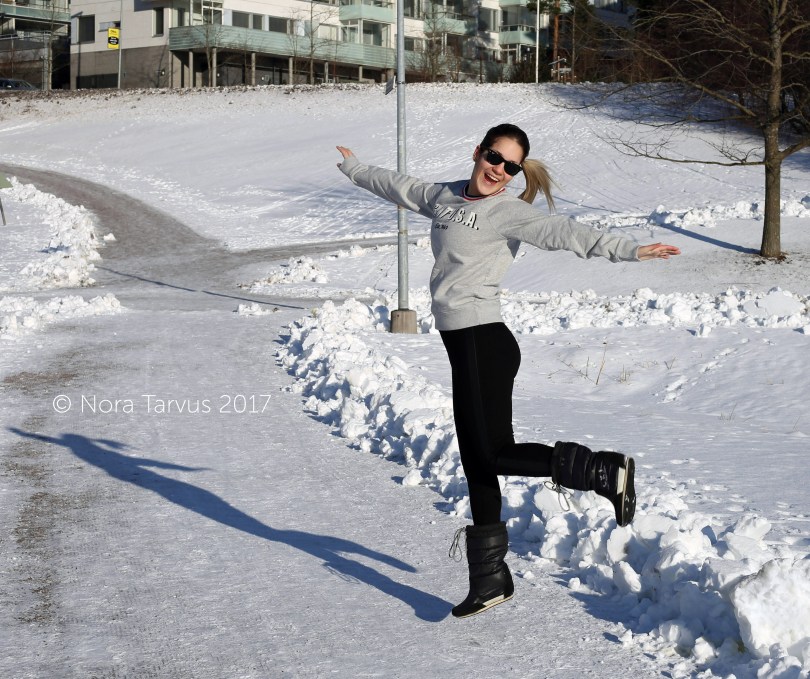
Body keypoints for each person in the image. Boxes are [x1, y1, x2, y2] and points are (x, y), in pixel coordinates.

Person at [335, 123, 681, 619]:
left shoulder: (508, 213)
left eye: (511, 166)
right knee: (479, 463)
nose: (499, 170)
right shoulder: (445, 196)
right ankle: (491, 579)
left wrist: (629, 249)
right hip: (465, 345)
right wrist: (353, 167)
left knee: (493, 455)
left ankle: (604, 470)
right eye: (494, 157)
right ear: (478, 152)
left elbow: (565, 233)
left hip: (484, 343)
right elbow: (397, 185)